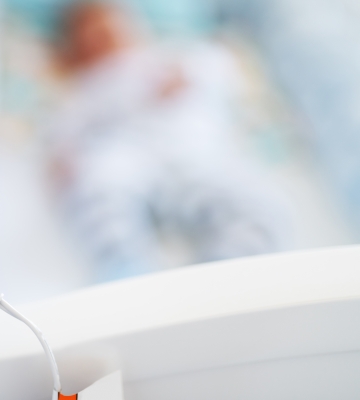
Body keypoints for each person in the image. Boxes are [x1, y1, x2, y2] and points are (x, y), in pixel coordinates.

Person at [47, 2, 291, 281]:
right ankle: (123, 266)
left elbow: (222, 66)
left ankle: (225, 271)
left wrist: (186, 75)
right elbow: (64, 132)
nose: (100, 33)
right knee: (98, 185)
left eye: (108, 23)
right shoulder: (88, 87)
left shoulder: (170, 55)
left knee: (256, 202)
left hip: (192, 150)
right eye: (86, 33)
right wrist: (65, 159)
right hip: (128, 157)